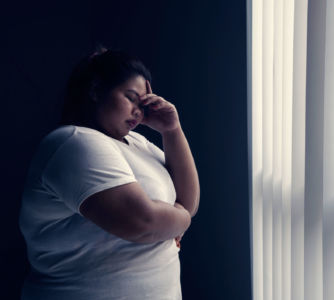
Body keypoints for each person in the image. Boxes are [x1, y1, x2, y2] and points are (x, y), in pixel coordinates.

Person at [18, 47, 200, 300]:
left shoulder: (137, 143)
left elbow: (188, 203)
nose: (139, 110)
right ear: (95, 91)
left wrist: (172, 130)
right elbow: (142, 223)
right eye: (131, 97)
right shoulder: (73, 142)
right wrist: (179, 219)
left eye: (144, 103)